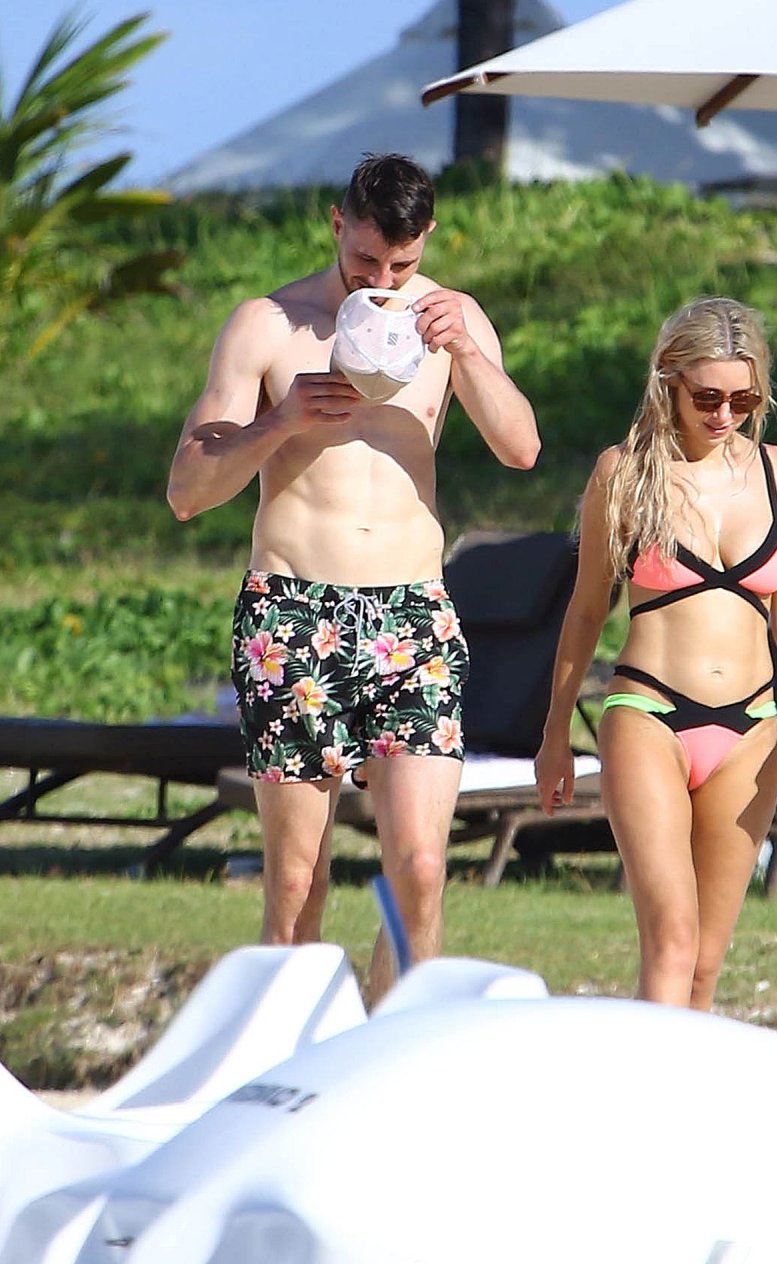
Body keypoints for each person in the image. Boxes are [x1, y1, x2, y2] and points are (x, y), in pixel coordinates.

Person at [167, 153, 540, 1002]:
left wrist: (465, 351)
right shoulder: (268, 324)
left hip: (412, 614)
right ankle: (288, 1056)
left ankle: (390, 1048)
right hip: (294, 612)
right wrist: (281, 420)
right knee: (297, 884)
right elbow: (188, 491)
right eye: (365, 259)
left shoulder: (451, 318)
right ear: (337, 225)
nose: (380, 281)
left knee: (420, 868)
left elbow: (521, 448)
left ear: (426, 239)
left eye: (401, 264)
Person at [534, 296, 777, 1011]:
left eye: (743, 400)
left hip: (751, 729)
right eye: (707, 397)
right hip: (647, 714)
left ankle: (687, 1086)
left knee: (706, 968)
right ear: (669, 379)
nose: (724, 415)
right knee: (671, 942)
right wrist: (555, 733)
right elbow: (586, 611)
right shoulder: (624, 473)